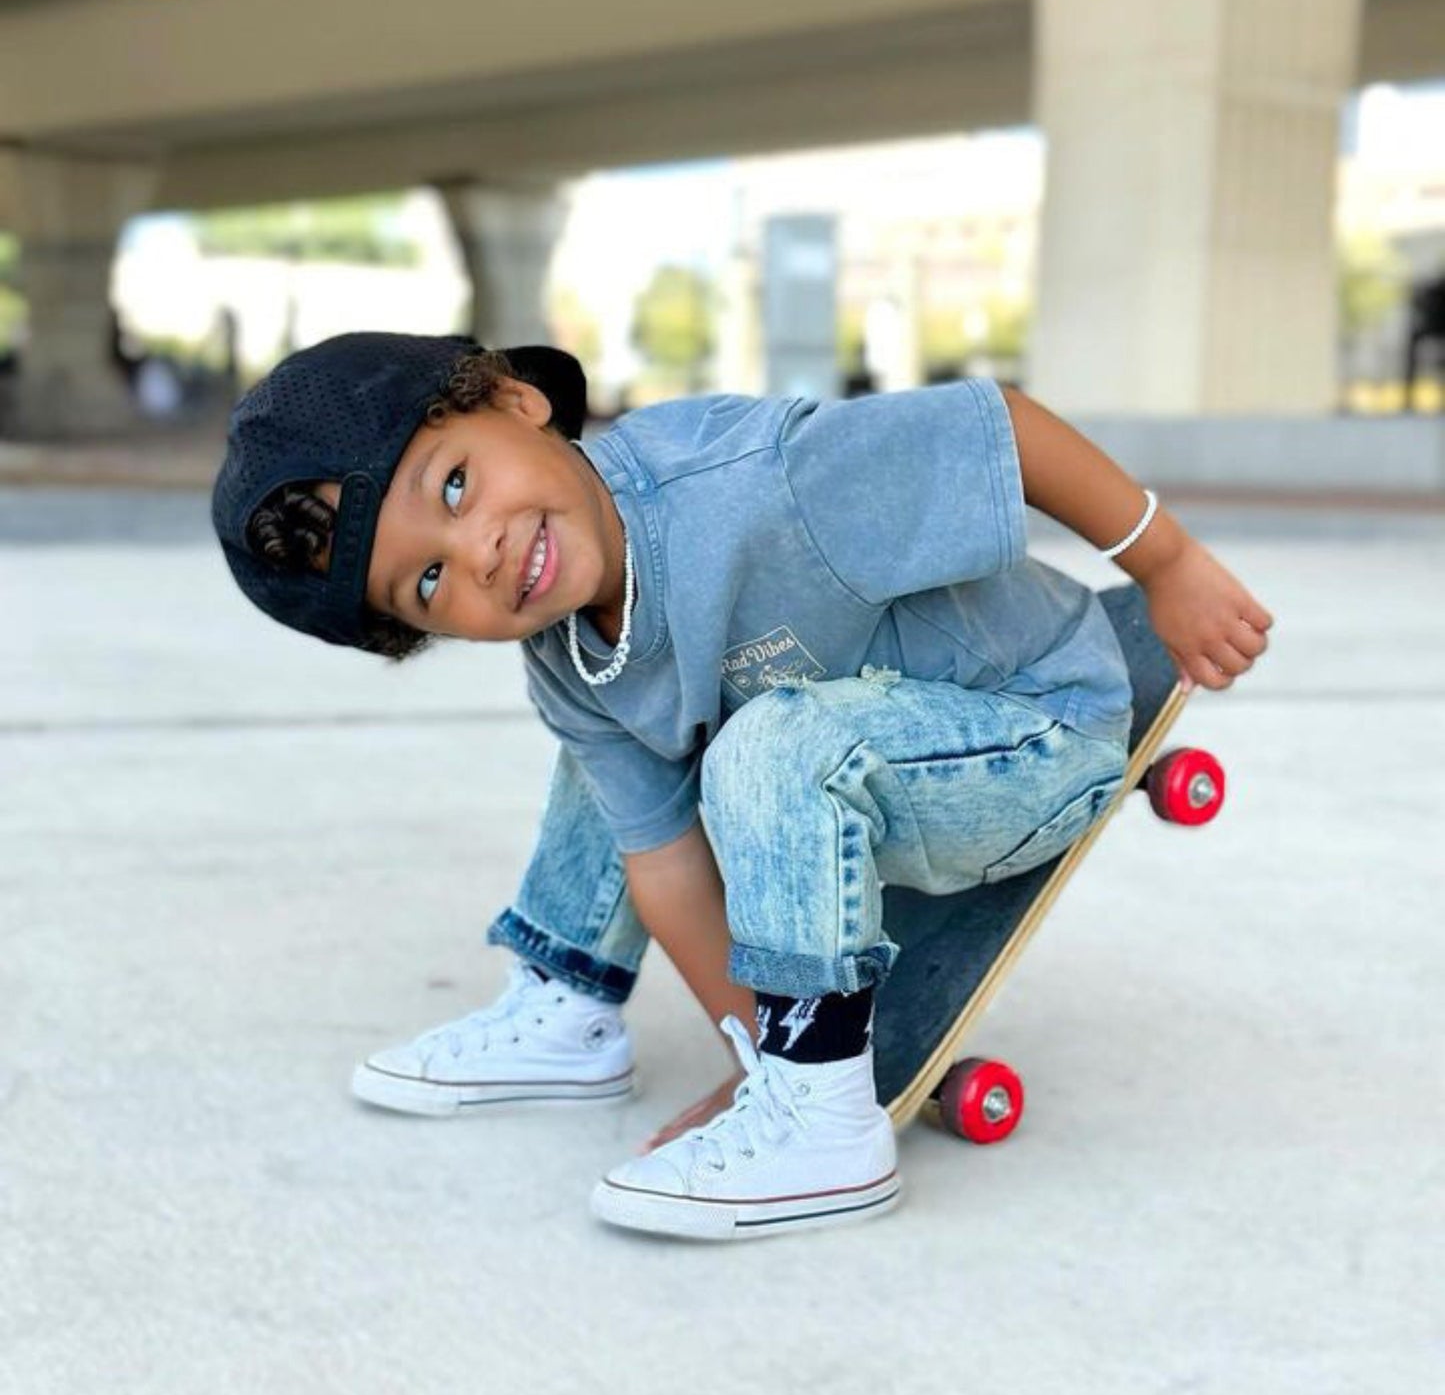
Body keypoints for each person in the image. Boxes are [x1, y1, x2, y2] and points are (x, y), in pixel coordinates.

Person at [212, 331, 1272, 1241]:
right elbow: (663, 861)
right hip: (847, 747)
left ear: (513, 399)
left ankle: (825, 1137)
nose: (477, 552)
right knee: (617, 713)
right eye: (429, 580)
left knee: (759, 738)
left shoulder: (762, 483)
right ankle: (574, 1001)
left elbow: (1001, 426)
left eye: (452, 485)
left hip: (1030, 727)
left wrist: (1168, 564)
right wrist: (758, 1050)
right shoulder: (561, 637)